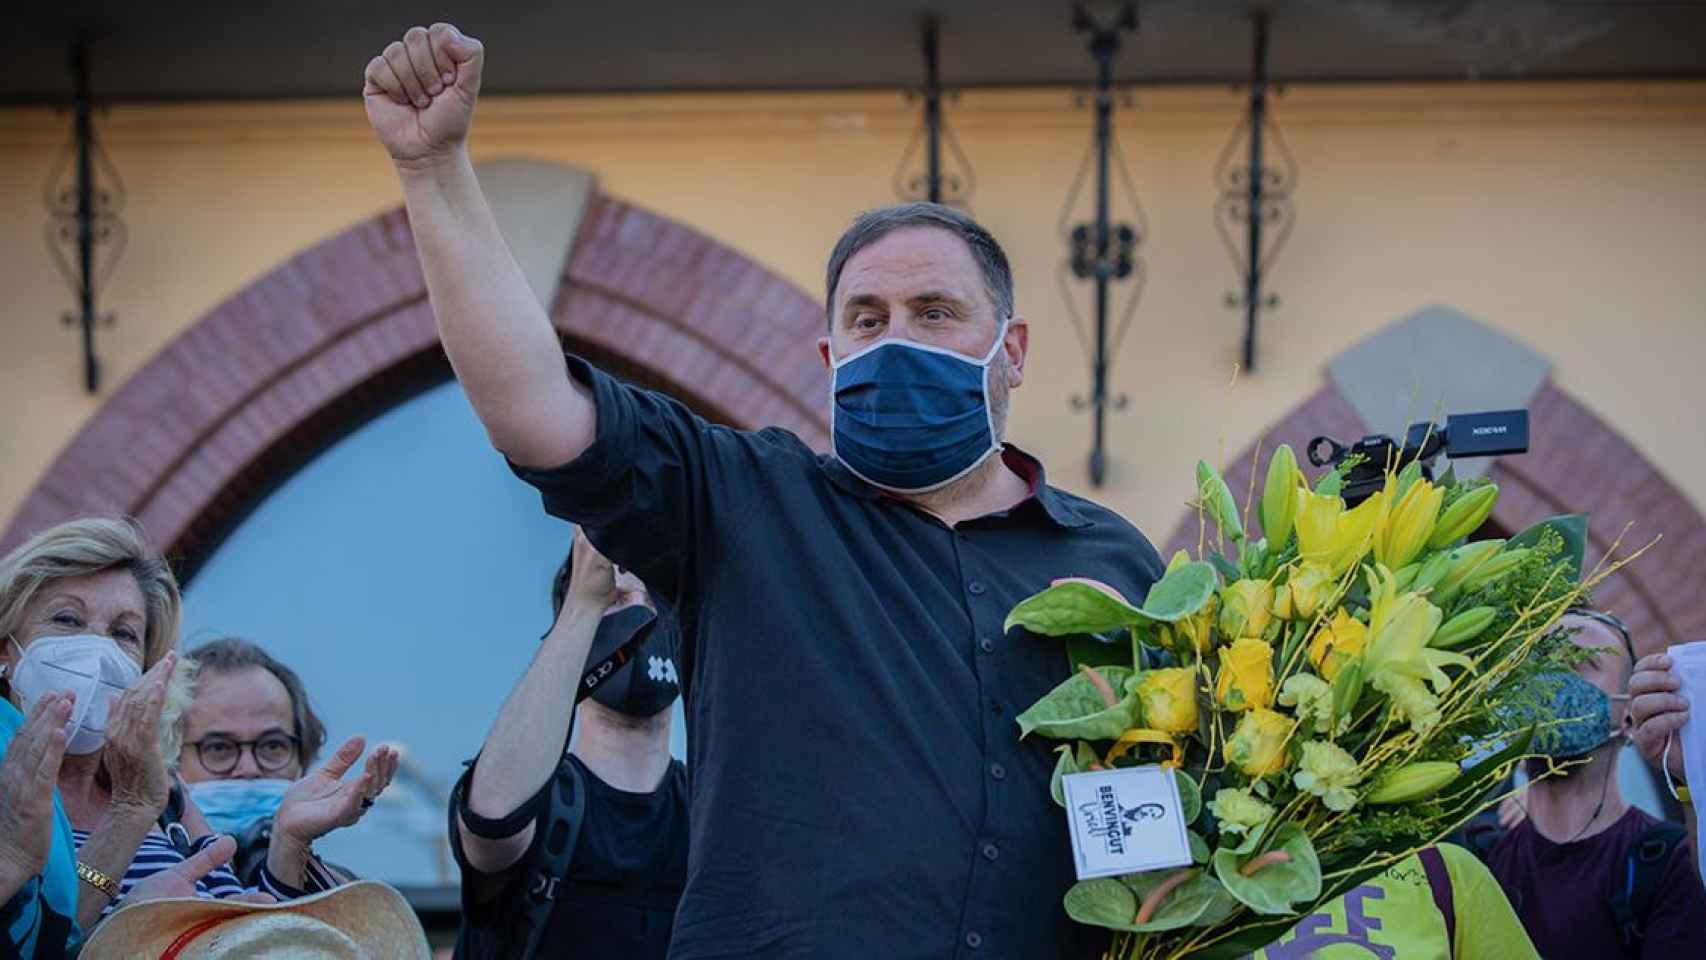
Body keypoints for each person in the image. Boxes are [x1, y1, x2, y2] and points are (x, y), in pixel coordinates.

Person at [365, 24, 1165, 957]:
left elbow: (1143, 827)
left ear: (1012, 351)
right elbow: (533, 407)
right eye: (867, 321)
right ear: (830, 358)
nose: (896, 341)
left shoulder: (1110, 565)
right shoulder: (739, 504)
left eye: (935, 313)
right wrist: (434, 171)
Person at [0, 518, 388, 928]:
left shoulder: (163, 792)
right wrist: (130, 919)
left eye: (124, 633)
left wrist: (288, 843)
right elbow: (36, 937)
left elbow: (247, 936)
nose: (98, 648)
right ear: (6, 648)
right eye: (68, 620)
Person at [449, 534, 686, 960]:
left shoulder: (716, 811)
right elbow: (491, 824)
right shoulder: (542, 796)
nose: (636, 610)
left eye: (656, 598)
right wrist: (583, 602)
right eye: (613, 599)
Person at [1485, 610, 1705, 957]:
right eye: (1541, 660)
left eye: (1582, 661)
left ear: (1629, 717)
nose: (1556, 676)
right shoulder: (1474, 857)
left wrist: (1691, 779)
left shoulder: (1667, 864)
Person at [176, 637, 397, 892]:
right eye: (219, 748)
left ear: (303, 762)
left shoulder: (344, 894)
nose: (249, 769)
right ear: (167, 763)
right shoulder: (128, 880)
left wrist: (291, 849)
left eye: (272, 746)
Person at [0, 690, 77, 956]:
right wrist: (9, 862)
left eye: (125, 643)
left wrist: (132, 814)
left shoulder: (11, 726)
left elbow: (56, 935)